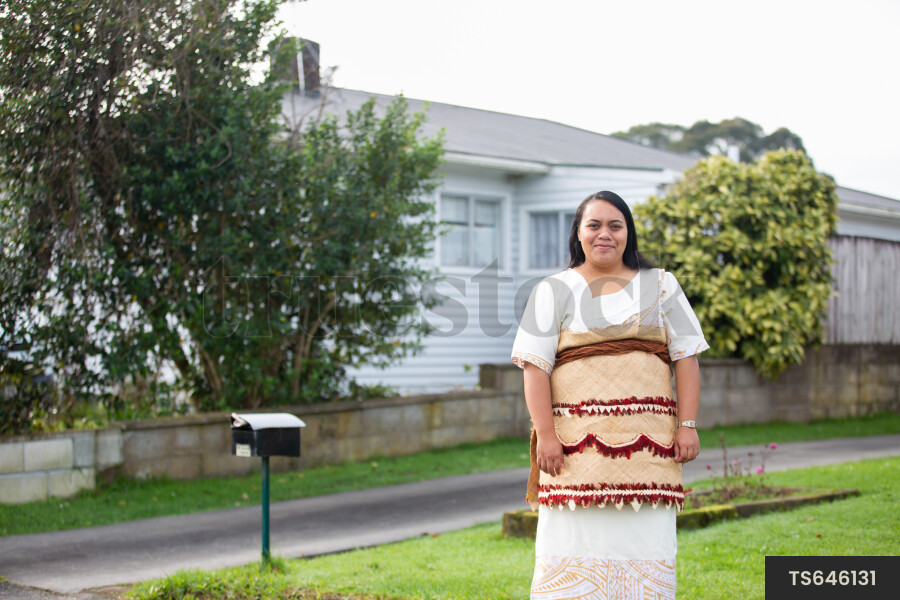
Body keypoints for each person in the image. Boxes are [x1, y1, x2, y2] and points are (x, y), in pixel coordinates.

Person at [511, 191, 709, 599]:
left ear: (628, 233)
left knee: (646, 539)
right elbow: (535, 367)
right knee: (571, 541)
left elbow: (686, 357)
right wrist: (546, 436)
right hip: (572, 450)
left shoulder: (662, 286)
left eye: (615, 225)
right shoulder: (552, 289)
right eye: (594, 225)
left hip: (650, 449)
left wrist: (687, 425)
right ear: (578, 234)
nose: (605, 234)